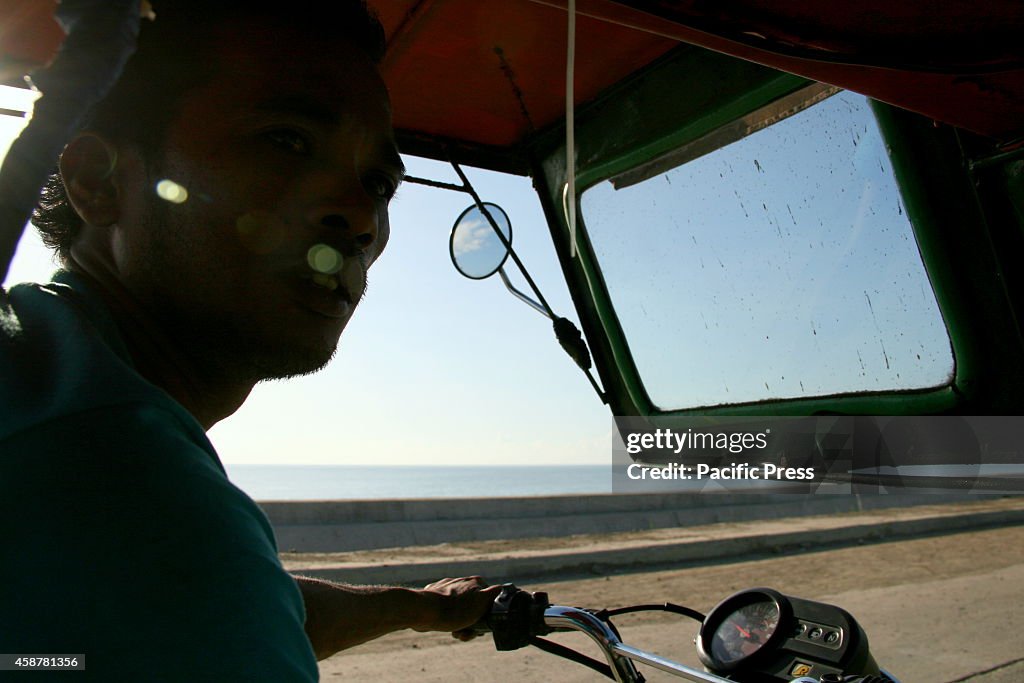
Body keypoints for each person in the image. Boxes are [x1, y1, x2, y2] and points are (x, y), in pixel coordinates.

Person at [0, 1, 498, 679]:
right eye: (286, 139)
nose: (357, 214)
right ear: (99, 180)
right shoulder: (148, 510)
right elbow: (201, 595)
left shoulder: (41, 358)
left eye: (378, 183)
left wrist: (417, 607)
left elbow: (238, 609)